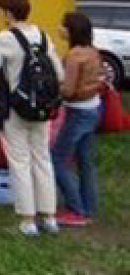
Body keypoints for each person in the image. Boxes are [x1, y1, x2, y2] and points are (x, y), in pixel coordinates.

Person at [0, 0, 64, 236]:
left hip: (16, 108)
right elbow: (59, 74)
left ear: (8, 13)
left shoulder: (5, 38)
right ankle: (49, 216)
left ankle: (28, 220)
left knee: (19, 162)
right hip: (42, 107)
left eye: (1, 12)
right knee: (42, 158)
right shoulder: (43, 36)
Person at [52, 11, 104, 227]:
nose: (59, 29)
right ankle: (89, 206)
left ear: (71, 31)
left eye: (63, 26)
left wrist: (55, 85)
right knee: (85, 160)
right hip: (93, 109)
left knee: (57, 160)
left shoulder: (74, 56)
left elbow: (69, 91)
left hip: (78, 112)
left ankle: (75, 209)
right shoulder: (93, 52)